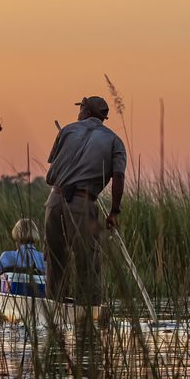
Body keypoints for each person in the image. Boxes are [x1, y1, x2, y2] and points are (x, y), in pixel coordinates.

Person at [44, 95, 127, 305]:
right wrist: (114, 211)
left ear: (87, 112)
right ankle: (88, 312)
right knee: (86, 263)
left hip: (54, 201)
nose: (78, 113)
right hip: (82, 203)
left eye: (80, 109)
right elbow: (118, 176)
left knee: (55, 260)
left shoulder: (68, 130)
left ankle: (55, 307)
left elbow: (53, 159)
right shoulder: (114, 141)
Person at [0, 218, 46, 291]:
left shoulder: (6, 257)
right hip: (39, 297)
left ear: (16, 235)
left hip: (8, 298)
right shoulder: (43, 259)